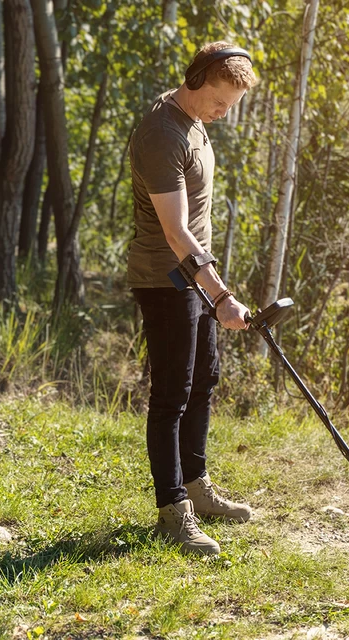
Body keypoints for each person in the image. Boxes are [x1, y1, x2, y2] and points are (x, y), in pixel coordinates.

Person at [128, 42, 257, 556]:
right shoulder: (162, 134)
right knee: (171, 396)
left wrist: (212, 287)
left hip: (194, 278)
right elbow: (177, 231)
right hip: (166, 279)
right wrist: (222, 295)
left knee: (204, 379)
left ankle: (198, 487)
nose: (225, 114)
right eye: (222, 102)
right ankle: (173, 512)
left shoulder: (194, 118)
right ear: (198, 78)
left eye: (232, 105)